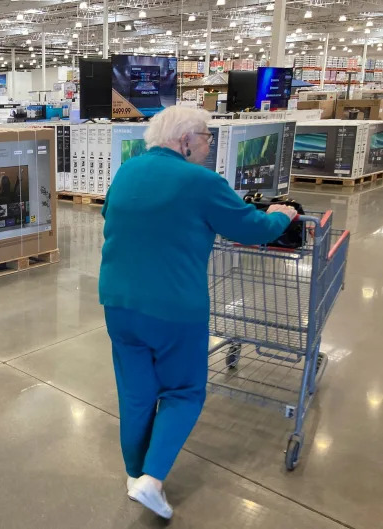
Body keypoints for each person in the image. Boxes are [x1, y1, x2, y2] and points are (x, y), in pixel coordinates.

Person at [99, 106, 297, 519]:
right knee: (183, 392)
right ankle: (152, 479)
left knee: (136, 394)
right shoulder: (201, 181)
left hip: (118, 303)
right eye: (207, 137)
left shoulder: (127, 172)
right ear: (185, 139)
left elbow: (114, 218)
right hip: (174, 308)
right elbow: (252, 228)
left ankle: (135, 474)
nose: (209, 146)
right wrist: (281, 215)